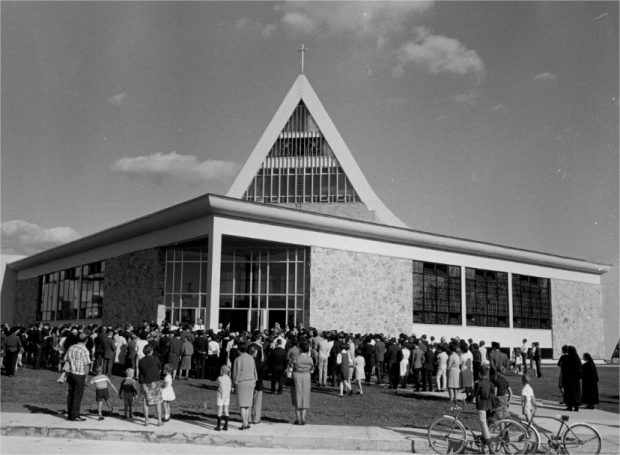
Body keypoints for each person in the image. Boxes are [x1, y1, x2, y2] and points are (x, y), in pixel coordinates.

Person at [64, 332, 91, 421]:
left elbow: (66, 359)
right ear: (86, 340)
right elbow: (87, 365)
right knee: (78, 396)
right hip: (80, 375)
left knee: (71, 394)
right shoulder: (84, 350)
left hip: (71, 373)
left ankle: (70, 414)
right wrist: (86, 377)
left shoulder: (71, 347)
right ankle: (75, 415)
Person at [232, 342, 257, 430]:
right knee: (248, 404)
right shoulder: (251, 358)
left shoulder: (238, 359)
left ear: (239, 349)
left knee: (242, 404)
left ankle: (244, 423)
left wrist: (234, 383)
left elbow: (236, 373)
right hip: (251, 381)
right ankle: (246, 421)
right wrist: (255, 379)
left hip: (242, 382)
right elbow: (254, 370)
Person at [473, 365, 495, 454]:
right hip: (490, 406)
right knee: (486, 425)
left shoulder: (478, 383)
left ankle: (489, 444)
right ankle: (484, 445)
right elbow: (493, 396)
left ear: (479, 374)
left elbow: (474, 395)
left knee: (482, 422)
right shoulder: (491, 383)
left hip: (482, 405)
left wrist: (466, 401)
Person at [138, 345, 163, 426]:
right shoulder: (156, 359)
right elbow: (159, 369)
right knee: (158, 402)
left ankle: (146, 421)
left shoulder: (141, 361)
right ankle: (159, 421)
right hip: (155, 382)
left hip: (144, 382)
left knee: (145, 402)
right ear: (151, 351)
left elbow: (141, 371)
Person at [291, 341, 314, 425]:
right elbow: (312, 368)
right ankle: (303, 418)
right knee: (305, 395)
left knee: (297, 395)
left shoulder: (296, 358)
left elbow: (292, 366)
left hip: (297, 376)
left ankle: (298, 418)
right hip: (306, 376)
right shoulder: (309, 358)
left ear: (300, 349)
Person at [561, 345, 582, 412]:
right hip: (574, 379)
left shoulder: (569, 358)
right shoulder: (576, 358)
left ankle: (571, 406)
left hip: (570, 379)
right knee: (574, 393)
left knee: (570, 392)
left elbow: (564, 368)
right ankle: (574, 406)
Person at [249, 344, 265, 424]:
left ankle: (248, 418)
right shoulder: (260, 363)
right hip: (258, 384)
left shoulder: (247, 361)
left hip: (248, 383)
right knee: (257, 403)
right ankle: (256, 418)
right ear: (256, 352)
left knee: (248, 402)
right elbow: (262, 374)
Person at [215, 365, 232, 431]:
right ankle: (225, 426)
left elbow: (217, 384)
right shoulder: (229, 379)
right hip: (227, 396)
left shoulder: (219, 378)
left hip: (220, 396)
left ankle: (218, 426)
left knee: (220, 409)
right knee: (226, 410)